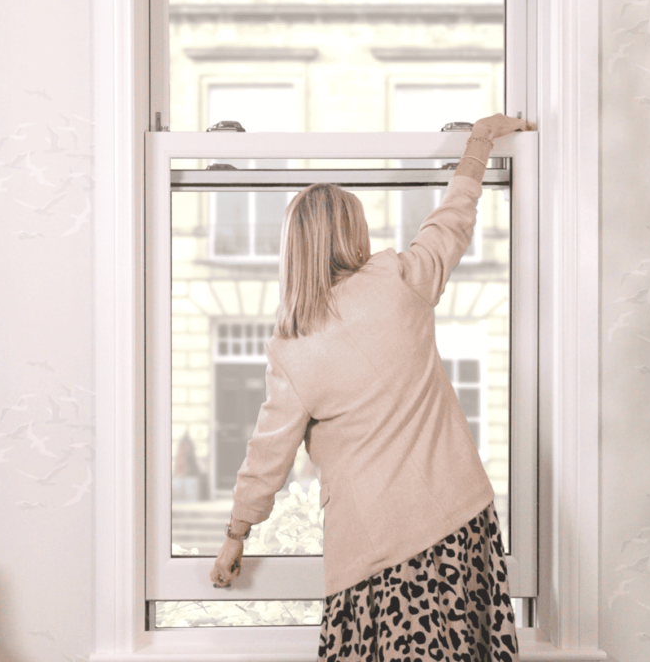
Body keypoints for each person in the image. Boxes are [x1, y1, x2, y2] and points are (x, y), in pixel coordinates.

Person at [210, 113, 528, 662]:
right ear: (354, 233)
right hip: (458, 524)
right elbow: (452, 218)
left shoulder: (292, 346)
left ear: (295, 248)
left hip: (373, 552)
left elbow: (267, 458)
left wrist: (237, 533)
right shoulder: (401, 281)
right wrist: (479, 142)